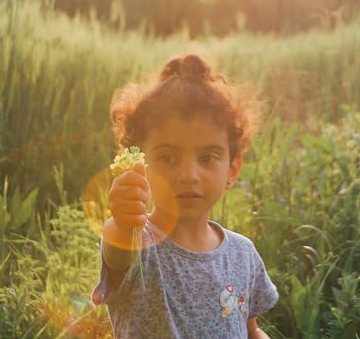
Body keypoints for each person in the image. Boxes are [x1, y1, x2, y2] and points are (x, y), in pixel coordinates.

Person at [92, 53, 278, 338]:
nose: (189, 174)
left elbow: (250, 329)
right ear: (139, 162)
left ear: (232, 169)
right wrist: (124, 217)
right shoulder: (136, 243)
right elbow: (116, 248)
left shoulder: (243, 255)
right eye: (167, 157)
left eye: (207, 158)